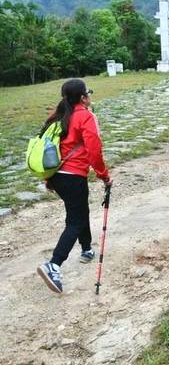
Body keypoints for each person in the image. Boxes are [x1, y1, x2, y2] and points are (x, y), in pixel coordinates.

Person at [36, 79, 112, 294]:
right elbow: (94, 151)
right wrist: (104, 176)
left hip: (58, 176)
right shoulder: (85, 116)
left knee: (79, 211)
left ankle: (87, 249)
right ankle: (54, 265)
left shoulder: (59, 117)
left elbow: (50, 149)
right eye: (88, 92)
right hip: (73, 176)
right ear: (82, 97)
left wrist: (49, 178)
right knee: (75, 221)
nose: (90, 95)